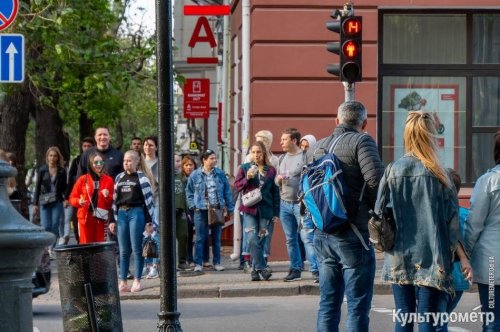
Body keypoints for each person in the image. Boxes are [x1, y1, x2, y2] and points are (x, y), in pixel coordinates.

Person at [375, 111, 459, 331]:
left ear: (407, 136)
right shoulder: (440, 174)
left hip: (399, 255)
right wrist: (449, 255)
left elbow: (379, 213)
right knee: (427, 317)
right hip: (433, 256)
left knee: (403, 314)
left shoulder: (393, 170)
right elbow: (452, 222)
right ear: (430, 137)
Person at [309, 101, 384, 331]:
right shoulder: (363, 141)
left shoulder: (318, 147)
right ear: (364, 122)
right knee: (357, 306)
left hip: (322, 232)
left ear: (337, 120)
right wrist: (375, 213)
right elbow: (376, 181)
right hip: (353, 234)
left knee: (328, 303)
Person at [464, 130, 500, 332]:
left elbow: (474, 224)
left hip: (493, 262)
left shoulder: (487, 181)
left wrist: (463, 253)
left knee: (493, 317)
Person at [235, 141, 280, 281]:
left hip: (266, 211)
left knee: (261, 239)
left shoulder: (271, 170)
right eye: (253, 152)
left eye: (259, 152)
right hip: (249, 210)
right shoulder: (244, 168)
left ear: (263, 153)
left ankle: (255, 270)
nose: (256, 155)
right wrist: (247, 178)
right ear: (250, 154)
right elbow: (237, 186)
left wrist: (276, 213)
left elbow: (275, 193)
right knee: (252, 239)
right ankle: (262, 267)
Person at [112, 150, 156, 293]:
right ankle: (123, 281)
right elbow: (114, 200)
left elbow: (149, 201)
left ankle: (137, 280)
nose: (127, 163)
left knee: (137, 249)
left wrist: (149, 222)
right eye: (125, 161)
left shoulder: (142, 179)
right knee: (124, 250)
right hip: (121, 213)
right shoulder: (119, 177)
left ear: (137, 162)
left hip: (136, 212)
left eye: (130, 161)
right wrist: (113, 219)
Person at [186, 149, 234, 272]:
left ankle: (217, 262)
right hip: (200, 209)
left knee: (216, 238)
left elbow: (227, 191)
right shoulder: (195, 174)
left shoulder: (220, 173)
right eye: (211, 158)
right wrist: (193, 205)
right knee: (200, 238)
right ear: (204, 160)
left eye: (215, 158)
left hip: (216, 208)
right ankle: (198, 263)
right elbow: (189, 192)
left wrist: (229, 208)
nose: (214, 160)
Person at [436, 169, 473, 332]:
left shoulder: (438, 214)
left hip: (443, 275)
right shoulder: (466, 214)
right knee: (442, 317)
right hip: (461, 280)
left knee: (437, 319)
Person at [275, 128, 306, 282]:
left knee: (306, 237)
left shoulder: (305, 156)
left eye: (284, 139)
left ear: (294, 140)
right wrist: (279, 179)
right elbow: (276, 180)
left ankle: (316, 270)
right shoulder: (282, 158)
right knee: (290, 239)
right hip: (285, 203)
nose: (281, 142)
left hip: (300, 204)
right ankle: (295, 268)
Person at [69, 152, 114, 244]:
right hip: (85, 218)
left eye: (101, 162)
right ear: (90, 164)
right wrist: (79, 201)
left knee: (100, 246)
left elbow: (111, 202)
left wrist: (107, 196)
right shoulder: (82, 179)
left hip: (101, 218)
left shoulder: (108, 180)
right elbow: (72, 198)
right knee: (85, 245)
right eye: (95, 162)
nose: (98, 165)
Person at [33, 147, 68, 259]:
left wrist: (67, 198)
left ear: (58, 157)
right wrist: (34, 204)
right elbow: (37, 187)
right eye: (50, 155)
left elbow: (64, 188)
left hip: (57, 201)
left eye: (55, 156)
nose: (52, 158)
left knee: (54, 225)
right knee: (45, 225)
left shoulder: (62, 171)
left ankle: (51, 248)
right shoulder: (42, 170)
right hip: (45, 201)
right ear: (47, 157)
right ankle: (45, 247)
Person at [62, 137, 95, 244]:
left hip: (92, 195)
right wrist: (67, 197)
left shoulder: (97, 159)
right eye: (84, 146)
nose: (86, 148)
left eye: (89, 146)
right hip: (78, 195)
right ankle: (79, 241)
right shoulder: (76, 161)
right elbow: (70, 180)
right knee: (76, 221)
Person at [298, 134, 319, 283]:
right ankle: (316, 269)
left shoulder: (314, 164)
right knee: (308, 239)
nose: (304, 149)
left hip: (312, 208)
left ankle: (316, 270)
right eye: (302, 146)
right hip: (304, 207)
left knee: (309, 239)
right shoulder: (302, 163)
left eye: (307, 146)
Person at [174, 153, 190, 271]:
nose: (176, 163)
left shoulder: (183, 178)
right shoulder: (165, 176)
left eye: (178, 161)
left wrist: (188, 211)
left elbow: (187, 195)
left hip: (181, 210)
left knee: (183, 235)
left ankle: (182, 261)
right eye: (174, 161)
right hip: (169, 212)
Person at [182, 155, 198, 266]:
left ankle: (196, 259)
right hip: (185, 210)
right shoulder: (181, 179)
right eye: (186, 165)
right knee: (186, 235)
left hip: (196, 209)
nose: (189, 167)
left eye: (191, 165)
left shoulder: (198, 177)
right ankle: (188, 258)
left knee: (196, 236)